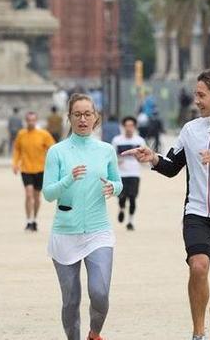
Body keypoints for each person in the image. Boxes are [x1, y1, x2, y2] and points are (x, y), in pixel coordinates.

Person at [122, 70, 210, 340]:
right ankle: (198, 333)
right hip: (196, 213)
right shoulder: (191, 130)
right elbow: (172, 166)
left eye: (201, 95)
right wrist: (152, 158)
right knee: (198, 265)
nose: (195, 100)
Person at [42, 93, 122, 340]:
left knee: (100, 293)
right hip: (65, 232)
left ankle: (94, 333)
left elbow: (117, 182)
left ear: (96, 117)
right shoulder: (57, 152)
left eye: (88, 114)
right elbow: (47, 193)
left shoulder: (106, 150)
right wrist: (68, 179)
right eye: (77, 114)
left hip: (99, 232)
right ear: (70, 118)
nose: (83, 119)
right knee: (71, 300)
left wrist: (113, 188)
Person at [12, 111, 56, 232]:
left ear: (36, 121)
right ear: (26, 121)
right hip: (26, 169)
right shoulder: (21, 134)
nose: (31, 122)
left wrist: (53, 164)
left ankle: (35, 219)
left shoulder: (43, 134)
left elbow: (53, 149)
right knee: (28, 194)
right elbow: (17, 149)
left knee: (37, 197)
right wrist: (15, 164)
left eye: (33, 120)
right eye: (29, 120)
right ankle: (28, 220)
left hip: (40, 169)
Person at [112, 116, 145, 230]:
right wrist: (117, 160)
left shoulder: (139, 141)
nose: (129, 128)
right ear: (123, 127)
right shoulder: (117, 140)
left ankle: (130, 221)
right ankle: (121, 209)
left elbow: (144, 156)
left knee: (132, 198)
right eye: (127, 126)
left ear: (135, 127)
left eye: (131, 126)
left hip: (134, 173)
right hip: (121, 174)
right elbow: (112, 156)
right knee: (122, 197)